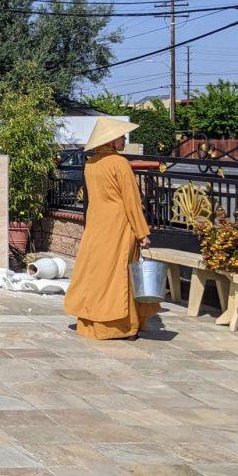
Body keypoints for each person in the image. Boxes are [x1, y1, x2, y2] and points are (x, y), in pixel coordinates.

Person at [64, 117, 157, 340]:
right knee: (119, 275)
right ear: (111, 140)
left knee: (97, 273)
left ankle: (90, 322)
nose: (124, 140)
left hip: (97, 224)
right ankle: (121, 326)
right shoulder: (120, 163)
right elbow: (131, 201)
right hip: (119, 226)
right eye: (121, 137)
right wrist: (142, 232)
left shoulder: (91, 164)